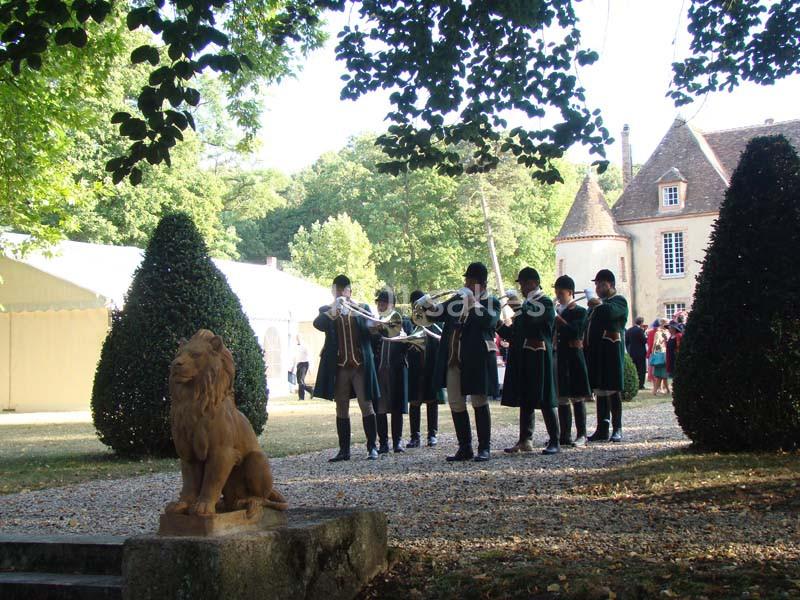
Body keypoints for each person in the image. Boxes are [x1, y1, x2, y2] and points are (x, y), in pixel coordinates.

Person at [420, 262, 500, 462]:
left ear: (481, 283)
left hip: (477, 360)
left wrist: (472, 303)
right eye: (466, 280)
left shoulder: (492, 302)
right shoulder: (457, 300)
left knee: (478, 401)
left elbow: (489, 322)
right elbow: (436, 314)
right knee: (455, 402)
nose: (466, 283)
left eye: (470, 280)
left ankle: (484, 448)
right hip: (454, 358)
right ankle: (465, 447)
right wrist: (427, 304)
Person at [312, 274, 381, 462]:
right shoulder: (327, 310)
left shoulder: (362, 309)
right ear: (333, 292)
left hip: (360, 364)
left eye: (345, 290)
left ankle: (372, 447)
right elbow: (319, 324)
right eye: (338, 290)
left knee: (366, 405)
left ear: (350, 291)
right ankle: (344, 450)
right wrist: (335, 308)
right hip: (340, 366)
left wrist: (375, 328)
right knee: (341, 406)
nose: (342, 293)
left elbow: (374, 334)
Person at [498, 267, 560, 455]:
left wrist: (518, 306)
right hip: (524, 356)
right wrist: (497, 324)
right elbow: (515, 333)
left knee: (546, 398)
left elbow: (535, 320)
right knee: (526, 398)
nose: (522, 288)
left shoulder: (545, 303)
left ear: (533, 283)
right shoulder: (527, 305)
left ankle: (555, 440)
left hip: (539, 354)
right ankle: (525, 439)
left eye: (524, 284)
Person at [584, 269, 629, 443]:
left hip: (610, 351)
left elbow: (610, 313)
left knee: (612, 388)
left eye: (601, 284)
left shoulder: (619, 301)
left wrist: (597, 304)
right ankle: (602, 428)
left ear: (611, 285)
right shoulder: (598, 304)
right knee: (600, 390)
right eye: (596, 284)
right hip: (597, 352)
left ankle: (617, 428)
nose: (598, 288)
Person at [553, 275, 592, 447]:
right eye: (556, 292)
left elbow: (575, 332)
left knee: (577, 397)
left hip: (574, 357)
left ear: (570, 292)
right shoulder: (558, 310)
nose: (558, 296)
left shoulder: (579, 311)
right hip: (560, 356)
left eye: (561, 293)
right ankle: (565, 435)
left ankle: (582, 434)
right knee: (562, 397)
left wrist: (558, 319)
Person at [370, 288, 410, 453]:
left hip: (397, 369)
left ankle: (397, 441)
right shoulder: (372, 322)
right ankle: (384, 443)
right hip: (379, 369)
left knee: (396, 406)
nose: (380, 304)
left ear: (391, 305)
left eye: (384, 302)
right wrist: (374, 330)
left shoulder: (404, 322)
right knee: (380, 407)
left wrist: (403, 335)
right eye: (379, 302)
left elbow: (410, 345)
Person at [406, 290, 444, 448]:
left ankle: (432, 434)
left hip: (431, 365)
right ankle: (415, 436)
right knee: (414, 403)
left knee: (432, 401)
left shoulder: (434, 322)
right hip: (414, 368)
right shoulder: (409, 322)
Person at [625, 317, 648, 390]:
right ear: (641, 323)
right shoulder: (640, 330)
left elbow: (626, 342)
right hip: (640, 352)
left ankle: (634, 384)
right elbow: (644, 341)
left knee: (634, 369)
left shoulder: (629, 330)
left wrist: (629, 350)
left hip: (631, 352)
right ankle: (641, 385)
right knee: (641, 369)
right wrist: (644, 332)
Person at [291, 335, 314, 400]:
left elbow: (310, 356)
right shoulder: (295, 347)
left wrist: (310, 369)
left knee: (300, 380)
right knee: (299, 381)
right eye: (297, 338)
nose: (298, 339)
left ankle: (303, 396)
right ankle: (308, 392)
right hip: (298, 364)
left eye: (299, 338)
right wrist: (292, 367)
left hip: (304, 364)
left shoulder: (305, 346)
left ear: (302, 338)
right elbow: (294, 357)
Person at [650, 320, 670, 395]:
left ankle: (666, 390)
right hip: (662, 355)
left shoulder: (666, 333)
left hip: (663, 354)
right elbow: (656, 344)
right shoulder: (659, 333)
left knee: (663, 375)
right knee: (661, 375)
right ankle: (655, 391)